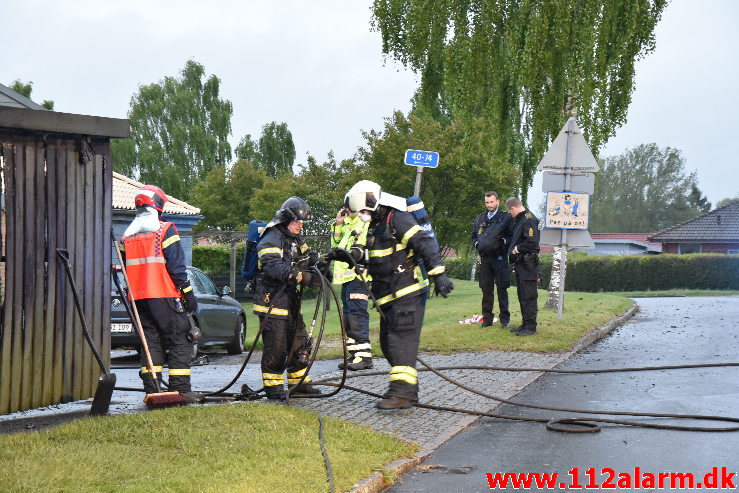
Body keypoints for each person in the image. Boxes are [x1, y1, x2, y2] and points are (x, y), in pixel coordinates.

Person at [343, 180, 454, 409]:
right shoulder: (377, 223)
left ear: (372, 202)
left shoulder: (398, 218)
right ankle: (407, 389)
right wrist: (347, 258)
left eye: (363, 210)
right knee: (387, 343)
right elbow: (378, 257)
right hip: (388, 296)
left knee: (400, 341)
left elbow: (424, 242)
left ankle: (402, 393)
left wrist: (439, 274)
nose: (362, 215)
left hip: (408, 291)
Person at [121, 185, 202, 403]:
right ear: (158, 206)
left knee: (150, 344)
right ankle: (180, 390)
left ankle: (153, 390)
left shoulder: (127, 237)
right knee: (180, 340)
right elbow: (176, 268)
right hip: (164, 295)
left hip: (138, 299)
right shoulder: (165, 230)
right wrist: (188, 295)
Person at [253, 196, 323, 400]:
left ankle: (298, 383)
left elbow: (309, 257)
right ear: (285, 220)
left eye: (301, 223)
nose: (299, 226)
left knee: (299, 342)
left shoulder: (295, 239)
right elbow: (272, 265)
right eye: (296, 222)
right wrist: (301, 276)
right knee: (277, 346)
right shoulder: (271, 237)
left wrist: (320, 267)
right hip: (271, 301)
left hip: (290, 301)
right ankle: (273, 388)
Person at [330, 207, 373, 371]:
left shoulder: (364, 222)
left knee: (357, 315)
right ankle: (355, 354)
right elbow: (336, 244)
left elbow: (360, 249)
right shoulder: (347, 224)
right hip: (347, 278)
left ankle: (364, 356)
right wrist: (338, 224)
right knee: (348, 316)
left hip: (358, 276)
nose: (347, 210)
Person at [471, 191, 513, 328]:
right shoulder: (480, 219)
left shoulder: (506, 218)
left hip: (500, 259)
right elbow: (474, 236)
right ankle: (487, 319)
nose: (489, 205)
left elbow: (512, 236)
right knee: (486, 289)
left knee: (502, 289)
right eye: (487, 202)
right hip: (485, 260)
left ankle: (504, 320)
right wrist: (477, 244)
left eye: (491, 202)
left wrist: (503, 242)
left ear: (498, 202)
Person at [505, 197, 540, 336]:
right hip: (521, 263)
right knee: (522, 295)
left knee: (529, 295)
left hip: (528, 263)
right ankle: (525, 324)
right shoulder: (521, 219)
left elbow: (532, 242)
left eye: (510, 212)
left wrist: (517, 249)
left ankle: (531, 327)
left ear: (513, 208)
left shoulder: (528, 219)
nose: (510, 214)